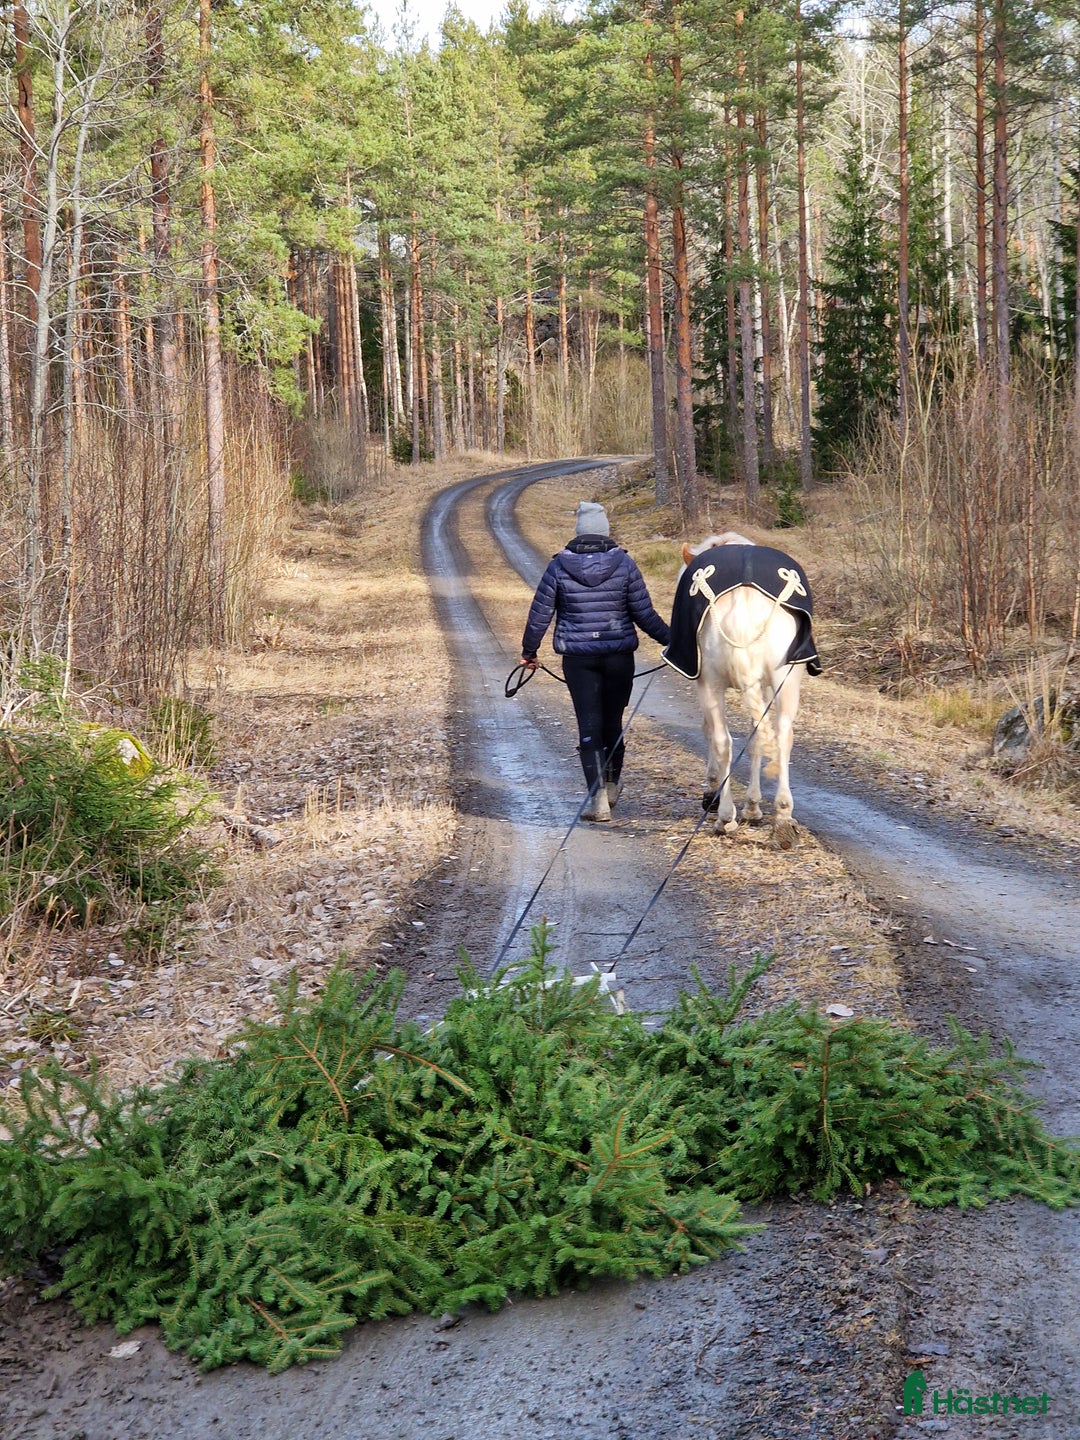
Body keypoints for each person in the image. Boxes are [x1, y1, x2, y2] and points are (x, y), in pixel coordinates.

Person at [520, 500, 671, 822]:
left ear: (578, 531)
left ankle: (598, 801)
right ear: (605, 531)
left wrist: (530, 652)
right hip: (619, 658)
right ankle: (613, 784)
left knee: (588, 723)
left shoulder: (559, 566)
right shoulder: (625, 565)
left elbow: (540, 615)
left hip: (578, 660)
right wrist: (675, 643)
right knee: (613, 721)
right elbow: (644, 614)